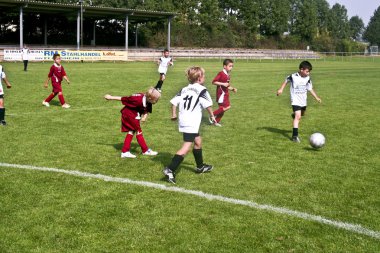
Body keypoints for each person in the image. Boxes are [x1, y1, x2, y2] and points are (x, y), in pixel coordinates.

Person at [163, 66, 216, 184]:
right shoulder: (202, 90)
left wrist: (173, 114)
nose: (205, 77)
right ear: (199, 78)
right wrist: (212, 116)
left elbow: (173, 102)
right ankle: (170, 169)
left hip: (185, 120)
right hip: (191, 122)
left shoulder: (184, 89)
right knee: (186, 147)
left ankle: (200, 166)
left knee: (198, 141)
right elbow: (208, 105)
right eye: (203, 75)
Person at [104, 87, 161, 158]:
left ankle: (125, 151)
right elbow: (124, 99)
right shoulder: (136, 99)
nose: (156, 101)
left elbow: (146, 110)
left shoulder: (148, 101)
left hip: (134, 115)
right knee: (138, 131)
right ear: (150, 98)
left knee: (132, 131)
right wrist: (111, 97)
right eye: (156, 100)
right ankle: (145, 150)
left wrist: (144, 117)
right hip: (129, 114)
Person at [276, 61, 322, 143]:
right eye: (307, 71)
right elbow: (286, 81)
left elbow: (310, 88)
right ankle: (294, 136)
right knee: (298, 116)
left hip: (303, 100)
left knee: (302, 114)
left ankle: (295, 115)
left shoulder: (308, 78)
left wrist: (316, 97)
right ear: (301, 70)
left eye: (309, 71)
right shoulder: (293, 76)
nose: (308, 73)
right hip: (295, 100)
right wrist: (281, 89)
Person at [211, 58, 237, 126]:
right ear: (224, 66)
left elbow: (227, 85)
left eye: (232, 66)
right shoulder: (221, 73)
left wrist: (232, 89)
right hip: (221, 94)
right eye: (230, 66)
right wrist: (223, 84)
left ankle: (215, 122)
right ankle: (212, 114)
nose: (231, 68)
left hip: (225, 94)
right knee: (227, 107)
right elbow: (214, 82)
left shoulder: (228, 75)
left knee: (222, 109)